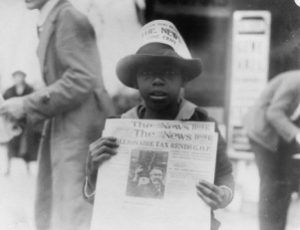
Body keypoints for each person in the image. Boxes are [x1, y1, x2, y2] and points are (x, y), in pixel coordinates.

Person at [84, 20, 234, 230]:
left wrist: (224, 194)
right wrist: (92, 171)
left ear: (183, 80)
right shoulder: (120, 128)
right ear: (135, 81)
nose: (157, 81)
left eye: (168, 73)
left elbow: (225, 174)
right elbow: (99, 199)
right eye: (147, 74)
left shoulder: (202, 122)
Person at [0, 0, 114, 230]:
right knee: (59, 209)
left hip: (80, 129)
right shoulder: (54, 17)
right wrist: (23, 109)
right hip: (68, 123)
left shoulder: (68, 17)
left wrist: (26, 104)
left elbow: (82, 79)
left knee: (72, 211)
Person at [244, 70, 300, 230]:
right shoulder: (295, 82)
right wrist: (296, 134)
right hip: (262, 134)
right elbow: (274, 112)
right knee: (271, 185)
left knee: (285, 185)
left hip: (281, 136)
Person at [3, 70, 40, 175]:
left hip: (26, 123)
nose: (18, 78)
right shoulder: (9, 91)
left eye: (20, 76)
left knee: (25, 146)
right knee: (11, 146)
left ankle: (27, 168)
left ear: (24, 77)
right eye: (15, 76)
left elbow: (35, 103)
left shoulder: (30, 90)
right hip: (12, 123)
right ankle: (8, 169)